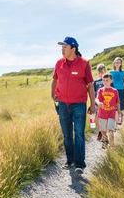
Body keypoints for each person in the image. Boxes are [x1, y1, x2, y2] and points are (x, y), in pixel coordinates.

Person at [51, 36, 95, 174]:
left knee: (79, 134)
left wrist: (93, 104)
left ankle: (79, 164)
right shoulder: (59, 63)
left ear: (73, 48)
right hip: (63, 105)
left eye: (65, 47)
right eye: (62, 47)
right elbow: (54, 80)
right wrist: (53, 95)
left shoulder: (84, 63)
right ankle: (70, 160)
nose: (62, 49)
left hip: (79, 105)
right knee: (66, 134)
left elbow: (90, 85)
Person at [95, 73, 119, 149]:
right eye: (103, 80)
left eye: (107, 80)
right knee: (103, 129)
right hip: (102, 113)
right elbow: (97, 99)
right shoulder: (100, 90)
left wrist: (118, 113)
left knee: (110, 130)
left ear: (111, 81)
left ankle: (112, 146)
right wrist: (99, 103)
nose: (105, 82)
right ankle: (105, 140)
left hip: (111, 113)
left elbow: (117, 103)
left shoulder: (115, 91)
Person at [110, 57, 124, 125]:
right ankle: (116, 122)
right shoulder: (111, 72)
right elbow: (109, 83)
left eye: (119, 62)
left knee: (121, 106)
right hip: (113, 91)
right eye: (116, 62)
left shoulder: (123, 73)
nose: (117, 63)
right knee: (114, 107)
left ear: (121, 64)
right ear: (114, 63)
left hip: (121, 90)